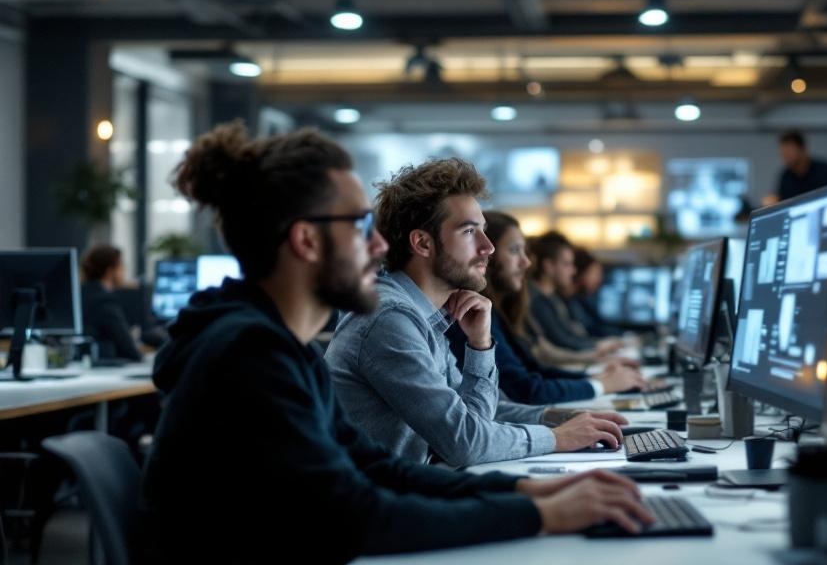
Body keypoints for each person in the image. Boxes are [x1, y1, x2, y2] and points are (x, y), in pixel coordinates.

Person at [141, 123, 653, 563]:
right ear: (306, 240)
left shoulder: (280, 346)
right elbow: (358, 515)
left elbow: (379, 469)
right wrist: (536, 512)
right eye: (360, 226)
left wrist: (525, 490)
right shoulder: (248, 357)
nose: (380, 245)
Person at [326, 158, 630, 467]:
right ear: (423, 243)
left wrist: (559, 417)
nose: (488, 247)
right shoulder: (388, 320)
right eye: (470, 232)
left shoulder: (427, 315)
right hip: (384, 505)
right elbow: (464, 441)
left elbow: (468, 413)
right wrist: (557, 438)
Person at [448, 211, 643, 405]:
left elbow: (534, 370)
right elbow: (526, 388)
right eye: (515, 250)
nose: (526, 262)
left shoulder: (495, 309)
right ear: (486, 254)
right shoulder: (471, 313)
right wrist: (599, 383)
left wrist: (594, 377)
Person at [528, 231, 623, 353]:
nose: (573, 271)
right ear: (548, 266)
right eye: (567, 264)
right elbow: (562, 341)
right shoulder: (537, 300)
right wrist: (598, 348)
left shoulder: (553, 298)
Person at [79, 245, 142, 362]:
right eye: (121, 266)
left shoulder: (79, 294)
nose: (124, 271)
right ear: (110, 271)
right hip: (103, 370)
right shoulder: (104, 301)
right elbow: (129, 350)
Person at [765, 129, 827, 205]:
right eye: (783, 154)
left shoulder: (824, 170)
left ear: (802, 149)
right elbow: (780, 200)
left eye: (789, 152)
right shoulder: (785, 177)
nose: (786, 157)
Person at [566, 246, 621, 338]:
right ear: (580, 274)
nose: (600, 280)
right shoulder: (570, 303)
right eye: (595, 274)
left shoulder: (582, 299)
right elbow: (592, 330)